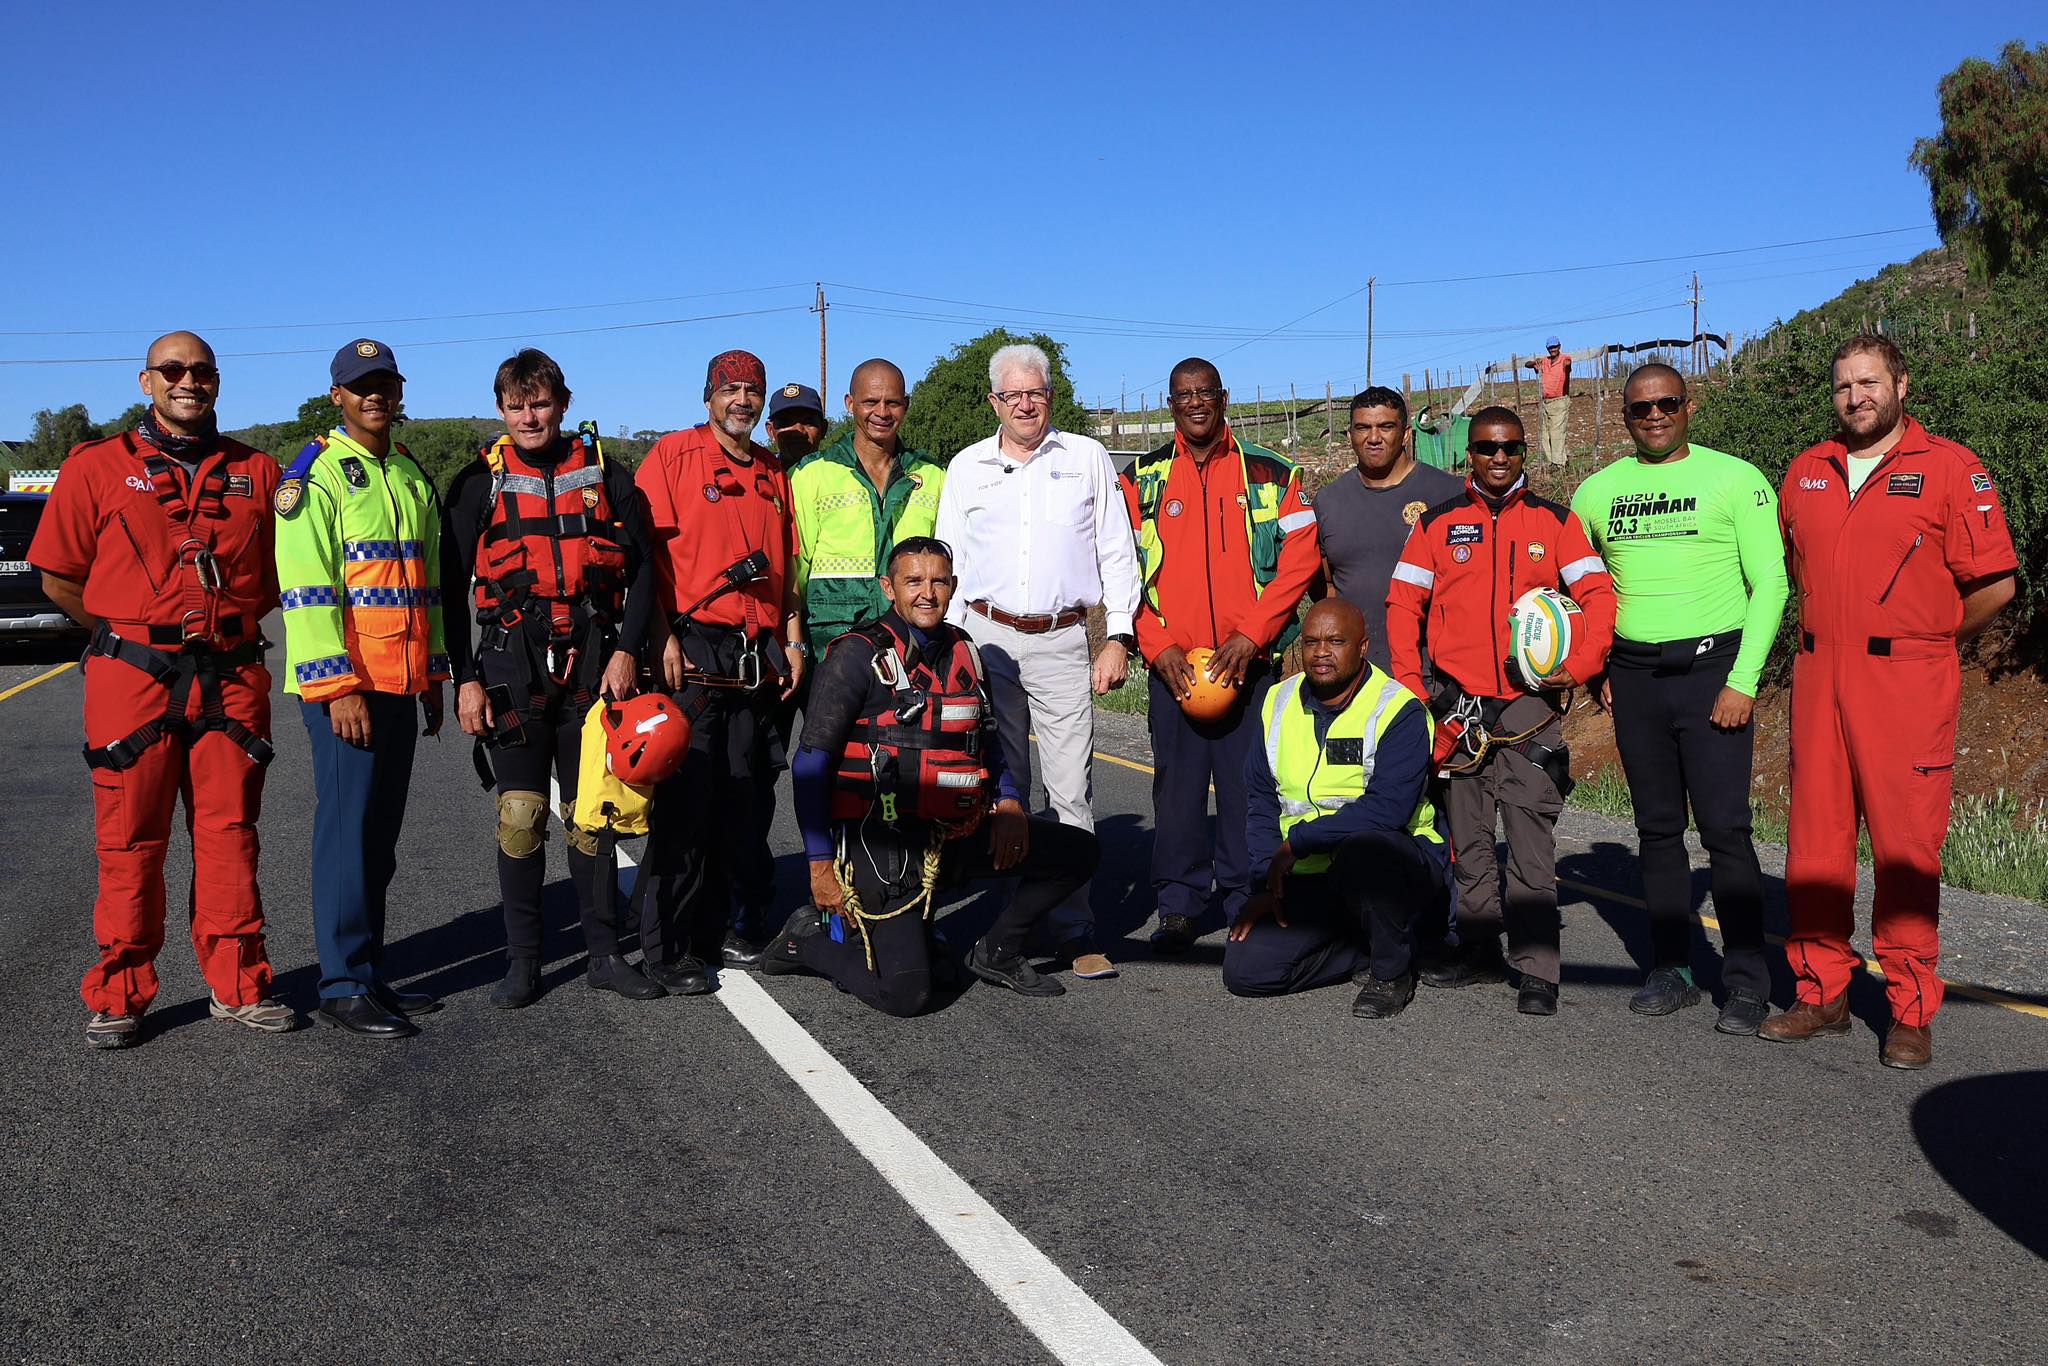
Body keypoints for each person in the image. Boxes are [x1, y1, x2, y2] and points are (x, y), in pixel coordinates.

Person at [29, 331, 292, 1049]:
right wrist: (125, 633)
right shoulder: (95, 468)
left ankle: (239, 984)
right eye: (173, 371)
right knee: (129, 840)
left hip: (230, 676)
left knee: (231, 835)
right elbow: (57, 575)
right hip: (132, 680)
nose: (189, 382)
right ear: (146, 381)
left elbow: (278, 576)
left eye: (202, 371)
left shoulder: (258, 472)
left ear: (217, 382)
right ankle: (120, 991)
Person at [1765, 334, 2017, 1068]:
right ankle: (1822, 993)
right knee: (1815, 844)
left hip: (1906, 681)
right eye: (1843, 386)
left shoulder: (1949, 468)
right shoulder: (1807, 471)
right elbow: (1796, 568)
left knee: (1906, 848)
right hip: (1819, 679)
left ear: (1902, 385)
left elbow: (1995, 585)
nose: (1856, 398)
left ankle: (1909, 1007)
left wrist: (1929, 637)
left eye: (1869, 382)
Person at [762, 537, 1099, 1014]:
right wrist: (819, 866)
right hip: (881, 845)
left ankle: (997, 951)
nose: (927, 593)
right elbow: (810, 765)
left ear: (954, 586)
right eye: (913, 581)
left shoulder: (964, 647)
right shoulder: (855, 656)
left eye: (939, 581)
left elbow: (989, 740)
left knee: (1079, 851)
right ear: (889, 588)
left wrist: (1007, 803)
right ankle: (806, 941)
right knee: (909, 993)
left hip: (952, 833)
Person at [1570, 363, 1788, 1034]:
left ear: (1688, 406)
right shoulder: (1596, 493)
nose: (1654, 416)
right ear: (1624, 415)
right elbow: (1575, 590)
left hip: (1713, 670)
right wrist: (1591, 669)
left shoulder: (1736, 477)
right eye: (1640, 408)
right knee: (1656, 832)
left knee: (1726, 830)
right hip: (1633, 677)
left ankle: (1748, 980)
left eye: (1666, 403)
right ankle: (1672, 969)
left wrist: (1742, 683)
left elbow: (1772, 586)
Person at [442, 349, 661, 1008]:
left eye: (540, 403)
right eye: (516, 406)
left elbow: (646, 568)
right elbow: (453, 589)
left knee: (592, 816)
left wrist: (627, 651)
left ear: (562, 403)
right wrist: (464, 680)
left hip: (594, 664)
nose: (529, 416)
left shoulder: (607, 474)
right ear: (501, 410)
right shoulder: (476, 485)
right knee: (521, 816)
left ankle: (604, 954)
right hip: (511, 664)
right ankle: (525, 960)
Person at [1387, 407, 1615, 1014]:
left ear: (1524, 454)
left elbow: (1598, 595)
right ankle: (1480, 948)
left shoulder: (1557, 523)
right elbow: (1402, 606)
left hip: (1529, 709)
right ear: (1469, 453)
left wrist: (1585, 664)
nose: (1497, 458)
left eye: (1509, 448)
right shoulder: (1436, 525)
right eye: (1486, 447)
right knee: (1469, 836)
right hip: (1456, 707)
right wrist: (1414, 690)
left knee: (1530, 835)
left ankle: (1538, 965)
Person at [937, 341, 1141, 980]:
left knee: (1071, 787)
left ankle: (1076, 926)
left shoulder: (1086, 458)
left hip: (1060, 641)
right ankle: (1010, 927)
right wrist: (947, 647)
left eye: (1037, 393)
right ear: (994, 401)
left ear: (1050, 396)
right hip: (984, 639)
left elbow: (1117, 551)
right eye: (1013, 395)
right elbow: (950, 561)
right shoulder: (966, 466)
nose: (1026, 404)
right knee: (1001, 790)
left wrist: (1119, 637)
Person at [274, 339, 449, 1039]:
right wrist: (336, 684)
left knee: (379, 839)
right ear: (338, 396)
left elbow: (428, 587)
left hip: (401, 682)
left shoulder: (406, 473)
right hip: (348, 688)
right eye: (361, 386)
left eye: (385, 384)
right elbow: (306, 590)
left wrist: (434, 674)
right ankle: (342, 983)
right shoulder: (314, 475)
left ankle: (371, 972)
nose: (375, 395)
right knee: (347, 836)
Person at [1120, 357, 1321, 953]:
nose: (1196, 403)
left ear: (1224, 396)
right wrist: (1157, 647)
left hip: (1248, 665)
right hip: (1174, 667)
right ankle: (1178, 905)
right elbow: (1119, 570)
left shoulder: (1274, 473)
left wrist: (1253, 635)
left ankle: (1245, 898)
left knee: (1246, 788)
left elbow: (1302, 558)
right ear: (1171, 403)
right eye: (1184, 395)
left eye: (1205, 392)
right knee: (1177, 789)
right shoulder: (1141, 479)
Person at [632, 349, 804, 994]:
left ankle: (710, 934)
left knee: (739, 796)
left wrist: (792, 643)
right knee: (686, 802)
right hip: (693, 645)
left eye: (751, 391)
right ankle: (664, 947)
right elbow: (646, 559)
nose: (742, 400)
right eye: (729, 389)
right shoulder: (673, 456)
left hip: (754, 653)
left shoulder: (769, 471)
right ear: (707, 396)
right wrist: (661, 640)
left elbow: (785, 570)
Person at [1225, 598, 1447, 1018]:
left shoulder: (1399, 710)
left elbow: (1388, 811)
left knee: (1365, 850)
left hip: (1393, 866)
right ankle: (1362, 947)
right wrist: (1262, 884)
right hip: (1307, 876)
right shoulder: (1277, 701)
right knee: (1245, 972)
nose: (1321, 652)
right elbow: (1260, 799)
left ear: (1362, 648)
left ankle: (1390, 971)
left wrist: (1299, 842)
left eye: (1335, 641)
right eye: (1311, 642)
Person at [1313, 385, 1462, 678]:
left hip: (1436, 674)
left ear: (1406, 434)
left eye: (1385, 427)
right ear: (1349, 436)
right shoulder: (1328, 501)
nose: (1373, 438)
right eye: (1363, 428)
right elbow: (1326, 585)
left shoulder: (1449, 494)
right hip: (1358, 675)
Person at [1523, 336, 1572, 466]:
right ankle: (1552, 461)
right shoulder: (1544, 361)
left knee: (1557, 433)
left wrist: (1567, 364)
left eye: (1555, 347)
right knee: (1544, 434)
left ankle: (1559, 463)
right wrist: (1535, 362)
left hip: (1559, 401)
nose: (1553, 349)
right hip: (1545, 402)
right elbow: (1527, 364)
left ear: (1559, 346)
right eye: (1550, 347)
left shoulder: (1564, 359)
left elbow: (1568, 363)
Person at [764, 382, 829, 464]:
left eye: (808, 422)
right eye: (786, 423)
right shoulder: (761, 473)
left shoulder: (839, 473)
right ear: (771, 431)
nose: (798, 430)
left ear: (823, 429)